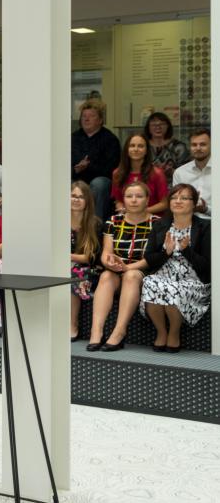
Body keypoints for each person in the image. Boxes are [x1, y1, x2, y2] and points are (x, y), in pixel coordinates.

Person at [87, 181, 158, 351]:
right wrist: (109, 262)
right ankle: (96, 332)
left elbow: (153, 258)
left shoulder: (157, 223)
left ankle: (119, 331)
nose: (133, 200)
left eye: (139, 196)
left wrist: (128, 268)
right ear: (123, 200)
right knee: (106, 276)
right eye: (129, 196)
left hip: (143, 272)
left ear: (147, 199)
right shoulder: (113, 221)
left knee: (131, 276)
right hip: (117, 270)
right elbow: (106, 253)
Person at [141, 183, 211, 353]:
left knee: (172, 288)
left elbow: (207, 265)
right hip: (163, 274)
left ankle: (174, 333)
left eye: (184, 198)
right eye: (174, 197)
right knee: (150, 282)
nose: (178, 201)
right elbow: (149, 258)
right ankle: (161, 331)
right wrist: (166, 253)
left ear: (194, 203)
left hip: (193, 279)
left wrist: (187, 250)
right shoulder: (160, 225)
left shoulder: (205, 227)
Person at [71, 99, 121, 222]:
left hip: (101, 181)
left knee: (99, 184)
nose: (86, 119)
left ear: (100, 120)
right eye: (84, 116)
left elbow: (111, 169)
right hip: (76, 178)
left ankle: (95, 224)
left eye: (91, 116)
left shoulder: (110, 139)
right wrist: (75, 170)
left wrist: (88, 167)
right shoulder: (73, 138)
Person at [69, 181, 103, 342]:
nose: (76, 199)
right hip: (63, 265)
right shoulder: (58, 221)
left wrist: (67, 257)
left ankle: (72, 324)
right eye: (73, 196)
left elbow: (91, 257)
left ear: (87, 201)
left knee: (73, 274)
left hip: (88, 270)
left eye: (81, 197)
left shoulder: (94, 223)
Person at [111, 133, 168, 215]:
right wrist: (122, 210)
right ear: (127, 149)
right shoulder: (117, 173)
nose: (136, 149)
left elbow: (164, 204)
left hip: (152, 218)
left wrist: (141, 212)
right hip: (128, 217)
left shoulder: (157, 173)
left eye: (140, 146)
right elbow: (118, 201)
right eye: (132, 146)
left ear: (146, 151)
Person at [172, 128, 211, 216]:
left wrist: (206, 209)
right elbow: (176, 204)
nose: (198, 148)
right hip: (187, 220)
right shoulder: (180, 172)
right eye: (194, 145)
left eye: (203, 144)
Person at [145, 111, 190, 184]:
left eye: (162, 124)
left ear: (168, 126)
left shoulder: (179, 147)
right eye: (154, 124)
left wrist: (171, 171)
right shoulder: (143, 146)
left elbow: (187, 172)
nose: (158, 127)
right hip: (146, 187)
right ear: (148, 127)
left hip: (173, 187)